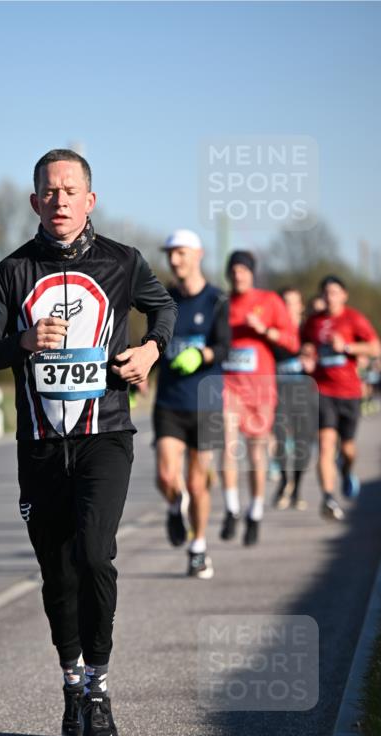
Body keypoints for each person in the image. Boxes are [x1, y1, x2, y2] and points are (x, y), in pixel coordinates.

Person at [0, 149, 176, 736]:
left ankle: (100, 691)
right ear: (35, 202)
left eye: (70, 190)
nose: (59, 200)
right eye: (49, 192)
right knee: (57, 570)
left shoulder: (123, 262)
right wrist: (21, 341)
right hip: (40, 444)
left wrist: (151, 351)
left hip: (105, 435)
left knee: (95, 554)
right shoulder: (11, 272)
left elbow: (164, 310)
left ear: (90, 199)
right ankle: (72, 680)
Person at [153, 230, 230, 578]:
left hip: (207, 400)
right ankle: (174, 505)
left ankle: (198, 547)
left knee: (198, 483)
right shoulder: (163, 300)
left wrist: (202, 354)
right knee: (166, 476)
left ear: (198, 254)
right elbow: (152, 343)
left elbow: (225, 347)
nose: (174, 260)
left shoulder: (217, 300)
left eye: (180, 253)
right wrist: (139, 372)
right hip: (169, 400)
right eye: (170, 254)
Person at [220, 251, 298, 546]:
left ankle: (254, 512)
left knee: (255, 454)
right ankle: (231, 508)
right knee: (226, 446)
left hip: (261, 388)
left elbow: (292, 342)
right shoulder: (222, 304)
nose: (238, 275)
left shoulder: (269, 302)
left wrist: (265, 330)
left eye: (243, 270)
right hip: (229, 386)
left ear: (252, 273)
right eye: (234, 270)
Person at [301, 275, 380, 520]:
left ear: (344, 295)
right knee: (325, 445)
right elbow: (303, 344)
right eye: (325, 293)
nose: (329, 297)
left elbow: (375, 347)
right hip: (322, 390)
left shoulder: (353, 318)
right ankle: (328, 498)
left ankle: (346, 472)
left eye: (334, 292)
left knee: (347, 449)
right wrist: (306, 354)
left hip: (349, 391)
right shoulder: (313, 322)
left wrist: (347, 347)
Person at [272, 288, 318, 511]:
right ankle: (283, 480)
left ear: (301, 306)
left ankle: (297, 488)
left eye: (293, 303)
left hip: (304, 390)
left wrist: (313, 362)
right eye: (285, 303)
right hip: (278, 389)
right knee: (279, 438)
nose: (289, 307)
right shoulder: (275, 332)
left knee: (303, 442)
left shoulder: (309, 330)